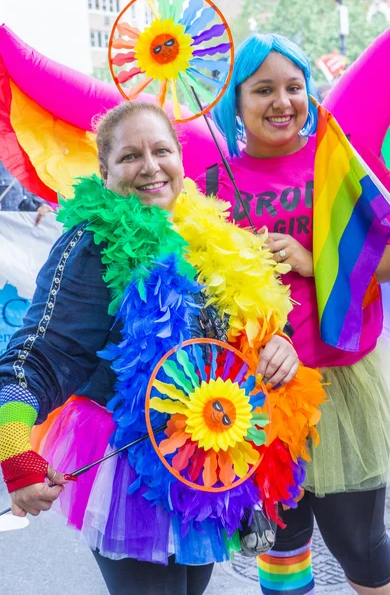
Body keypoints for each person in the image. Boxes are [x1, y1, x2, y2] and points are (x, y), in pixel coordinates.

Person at [0, 101, 306, 595]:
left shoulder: (208, 237)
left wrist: (280, 347)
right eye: (129, 156)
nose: (149, 167)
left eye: (161, 150)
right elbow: (35, 358)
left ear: (180, 160)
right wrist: (14, 451)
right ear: (104, 172)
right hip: (132, 472)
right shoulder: (92, 246)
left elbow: (245, 329)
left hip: (205, 462)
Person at [196, 33, 390, 595]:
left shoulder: (337, 158)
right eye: (263, 90)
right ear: (235, 102)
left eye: (293, 87)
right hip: (255, 394)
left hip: (337, 389)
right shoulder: (211, 182)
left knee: (361, 546)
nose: (282, 101)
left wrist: (314, 262)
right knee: (279, 545)